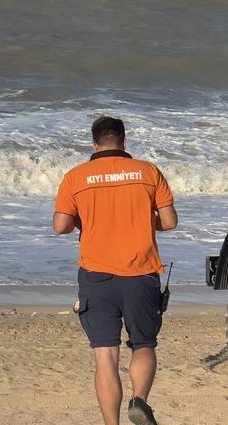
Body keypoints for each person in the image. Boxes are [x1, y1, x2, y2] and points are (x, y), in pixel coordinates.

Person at [53, 116, 178, 425]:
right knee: (144, 344)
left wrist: (88, 220)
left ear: (94, 143)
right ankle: (140, 400)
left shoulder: (76, 176)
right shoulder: (148, 172)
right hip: (141, 272)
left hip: (96, 274)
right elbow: (170, 221)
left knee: (105, 355)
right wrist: (142, 221)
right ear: (124, 141)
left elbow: (61, 226)